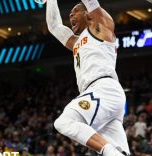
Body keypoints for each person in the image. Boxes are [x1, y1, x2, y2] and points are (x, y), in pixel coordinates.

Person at [45, 0, 129, 155]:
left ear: (88, 14)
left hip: (104, 89)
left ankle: (107, 150)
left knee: (65, 122)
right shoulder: (75, 42)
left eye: (74, 11)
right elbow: (54, 26)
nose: (70, 15)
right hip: (100, 94)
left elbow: (93, 4)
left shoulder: (101, 27)